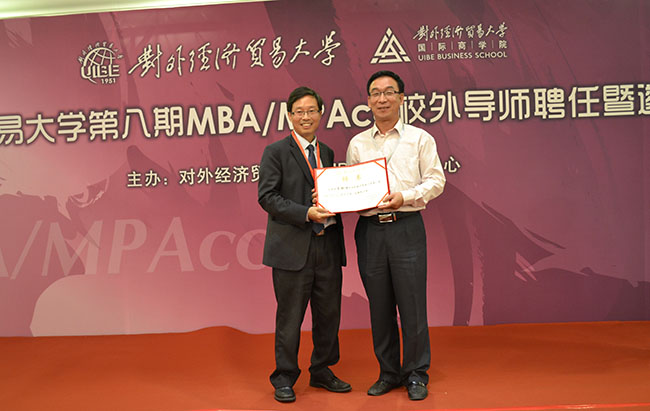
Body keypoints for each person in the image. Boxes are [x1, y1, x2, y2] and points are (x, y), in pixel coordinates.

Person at [346, 71, 446, 401]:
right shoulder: (358, 144)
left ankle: (416, 374)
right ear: (368, 100)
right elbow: (351, 188)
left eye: (389, 92)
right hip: (370, 232)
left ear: (402, 98)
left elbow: (436, 181)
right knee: (380, 306)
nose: (382, 98)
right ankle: (388, 373)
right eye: (375, 93)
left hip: (406, 226)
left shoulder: (420, 139)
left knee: (412, 304)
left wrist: (405, 197)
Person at [258, 86, 350, 403]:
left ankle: (322, 370)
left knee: (328, 314)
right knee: (290, 317)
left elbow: (335, 194)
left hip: (327, 246)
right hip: (292, 249)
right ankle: (284, 377)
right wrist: (305, 213)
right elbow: (267, 197)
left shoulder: (328, 152)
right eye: (299, 111)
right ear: (290, 115)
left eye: (312, 111)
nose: (306, 116)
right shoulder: (275, 152)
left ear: (321, 114)